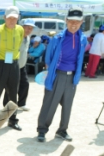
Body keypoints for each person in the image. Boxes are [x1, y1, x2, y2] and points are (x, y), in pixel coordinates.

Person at [37, 7, 87, 142]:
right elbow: (48, 59)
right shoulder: (57, 38)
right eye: (71, 21)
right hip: (57, 75)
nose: (74, 24)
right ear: (66, 21)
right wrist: (50, 74)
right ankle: (42, 129)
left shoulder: (83, 39)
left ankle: (62, 130)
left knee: (67, 105)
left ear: (82, 22)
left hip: (72, 77)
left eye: (77, 21)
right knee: (49, 104)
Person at [0, 5, 24, 130]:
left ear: (18, 18)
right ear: (4, 18)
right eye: (9, 18)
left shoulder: (20, 30)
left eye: (14, 18)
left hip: (14, 64)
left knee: (13, 94)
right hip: (1, 64)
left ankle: (13, 120)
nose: (12, 21)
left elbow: (18, 45)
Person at [3, 18, 35, 112]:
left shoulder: (28, 38)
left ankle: (21, 103)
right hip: (13, 65)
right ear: (21, 27)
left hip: (22, 65)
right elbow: (9, 51)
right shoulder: (16, 37)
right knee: (11, 86)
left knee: (25, 84)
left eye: (31, 28)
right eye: (27, 27)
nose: (29, 30)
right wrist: (8, 66)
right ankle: (6, 105)